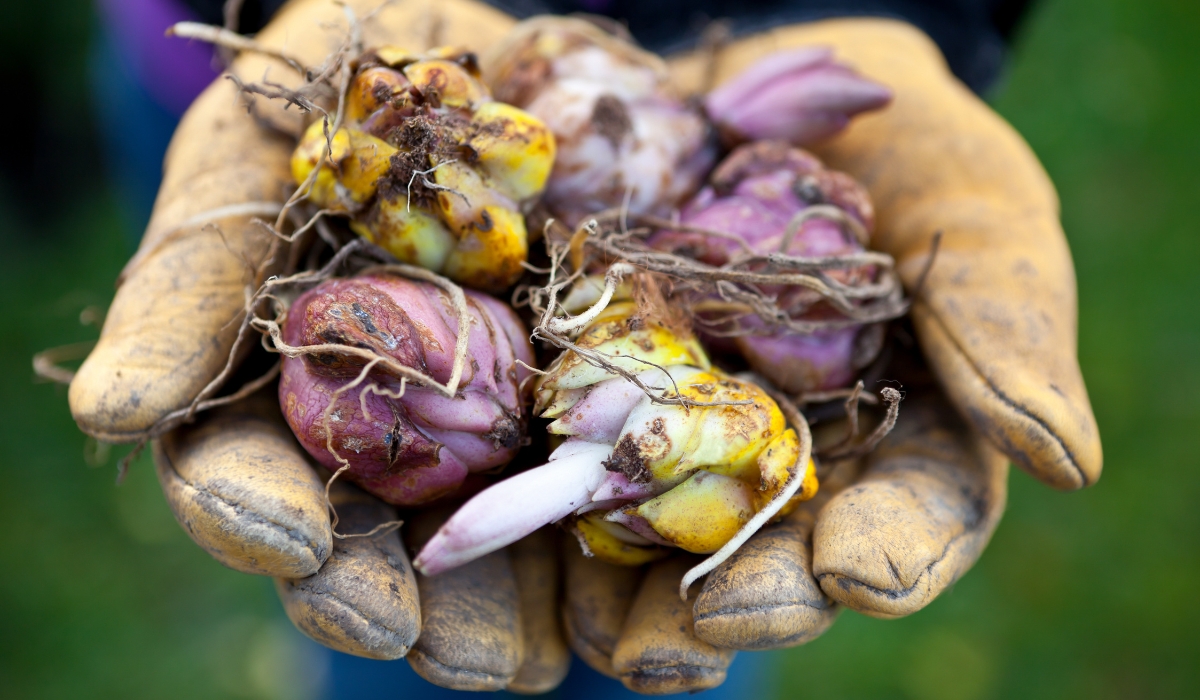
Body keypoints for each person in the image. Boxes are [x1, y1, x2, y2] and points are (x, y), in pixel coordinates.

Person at [84, 0, 1100, 697]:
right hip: (212, 59)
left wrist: (891, 7)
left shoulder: (616, 369)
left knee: (640, 642)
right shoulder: (479, 211)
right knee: (357, 589)